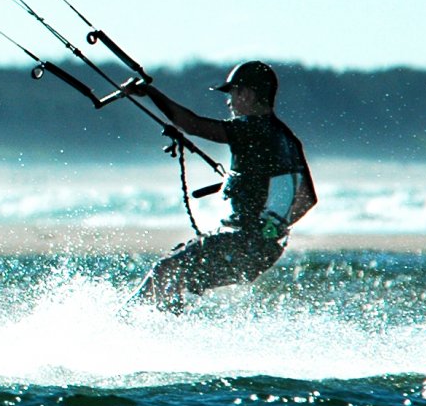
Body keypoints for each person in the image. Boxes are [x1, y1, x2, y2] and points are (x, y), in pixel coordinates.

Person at [130, 60, 316, 313]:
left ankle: (122, 323)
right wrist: (270, 231)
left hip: (242, 243)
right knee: (178, 274)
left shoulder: (253, 128)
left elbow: (192, 125)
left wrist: (150, 93)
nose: (228, 102)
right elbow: (306, 199)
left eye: (232, 94)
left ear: (247, 94)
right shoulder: (286, 137)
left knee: (166, 270)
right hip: (264, 251)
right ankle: (166, 330)